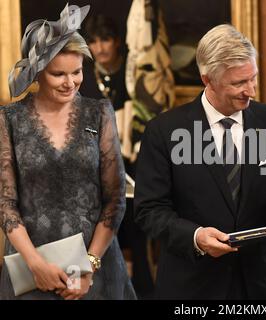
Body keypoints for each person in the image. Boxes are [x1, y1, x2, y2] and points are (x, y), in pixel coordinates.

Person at [134, 24, 266, 299]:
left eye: (253, 78)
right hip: (192, 285)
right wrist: (196, 236)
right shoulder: (164, 131)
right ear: (207, 79)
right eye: (238, 83)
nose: (251, 91)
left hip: (256, 284)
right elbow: (149, 210)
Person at [0, 4, 136, 300]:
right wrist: (35, 264)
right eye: (58, 74)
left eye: (77, 72)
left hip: (95, 270)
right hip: (31, 269)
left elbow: (115, 199)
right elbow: (6, 203)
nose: (70, 83)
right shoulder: (9, 119)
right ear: (36, 73)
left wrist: (89, 265)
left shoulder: (99, 112)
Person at [80, 14, 154, 300]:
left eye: (105, 39)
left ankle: (145, 291)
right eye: (94, 41)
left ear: (118, 41)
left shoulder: (133, 77)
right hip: (96, 163)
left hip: (134, 160)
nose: (100, 48)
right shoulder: (84, 79)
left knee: (137, 227)